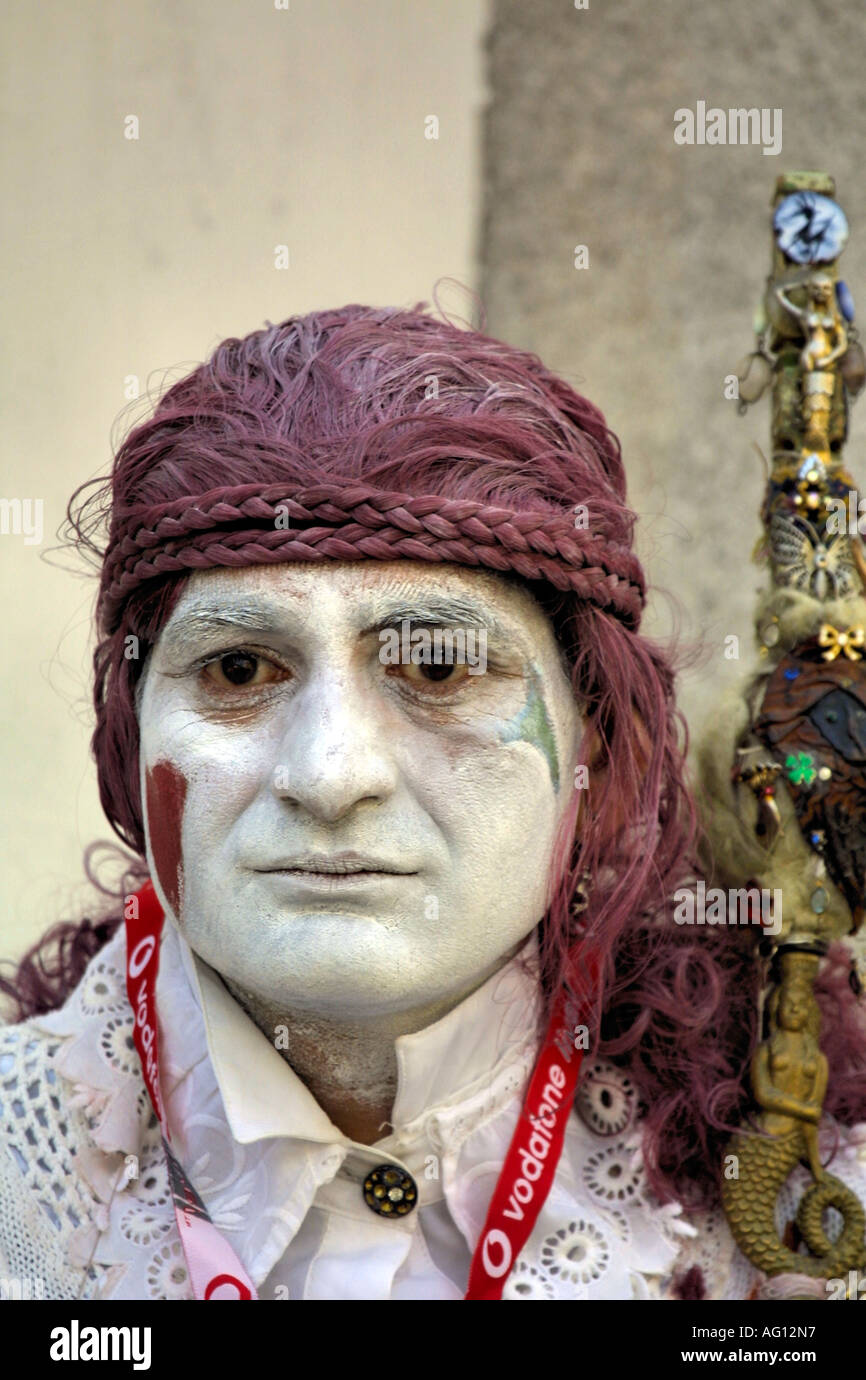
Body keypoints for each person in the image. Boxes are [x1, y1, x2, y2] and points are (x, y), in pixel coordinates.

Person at [1, 303, 864, 1301]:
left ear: (595, 737)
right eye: (238, 667)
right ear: (127, 733)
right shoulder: (35, 1197)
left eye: (441, 667)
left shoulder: (786, 1233)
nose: (329, 775)